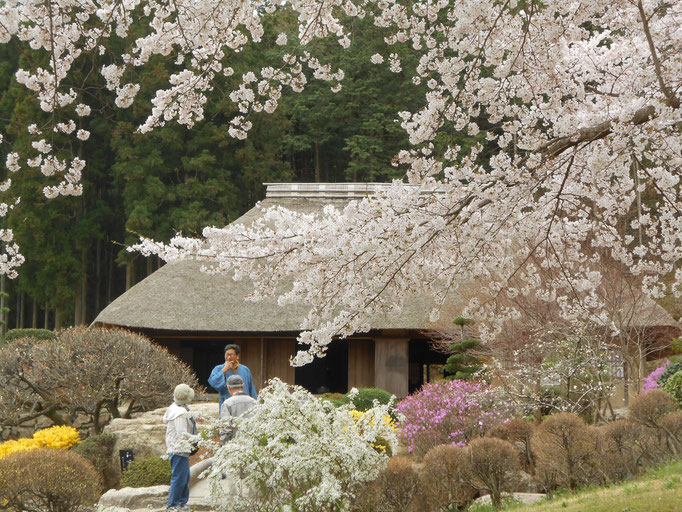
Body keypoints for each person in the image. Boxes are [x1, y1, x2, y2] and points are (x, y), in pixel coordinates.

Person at [163, 383, 197, 512]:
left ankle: (182, 503)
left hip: (180, 448)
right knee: (179, 477)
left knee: (185, 476)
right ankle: (173, 505)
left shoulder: (177, 407)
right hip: (178, 449)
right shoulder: (179, 413)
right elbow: (182, 433)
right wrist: (196, 439)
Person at [208, 343, 257, 412]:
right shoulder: (218, 368)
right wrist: (224, 371)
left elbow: (251, 389)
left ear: (237, 356)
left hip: (245, 404)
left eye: (231, 354)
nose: (228, 357)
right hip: (227, 404)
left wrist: (255, 404)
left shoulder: (245, 369)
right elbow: (213, 382)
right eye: (226, 354)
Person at [220, 374, 258, 444]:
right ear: (243, 386)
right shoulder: (254, 402)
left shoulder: (227, 404)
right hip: (253, 445)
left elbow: (226, 429)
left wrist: (223, 445)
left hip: (235, 446)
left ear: (229, 388)